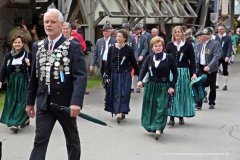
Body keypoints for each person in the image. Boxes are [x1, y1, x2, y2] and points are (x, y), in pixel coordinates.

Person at [25, 8, 87, 160]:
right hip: (44, 104)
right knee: (39, 141)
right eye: (46, 22)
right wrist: (29, 102)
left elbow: (80, 76)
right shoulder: (37, 46)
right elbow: (34, 76)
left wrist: (76, 102)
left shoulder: (72, 46)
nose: (49, 25)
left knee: (72, 140)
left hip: (65, 104)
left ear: (60, 24)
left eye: (53, 22)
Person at [137, 37, 178, 140]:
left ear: (163, 46)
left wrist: (172, 86)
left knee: (162, 107)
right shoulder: (149, 58)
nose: (158, 48)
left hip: (164, 85)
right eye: (156, 46)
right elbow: (143, 69)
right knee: (151, 106)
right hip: (151, 85)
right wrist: (139, 80)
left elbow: (175, 73)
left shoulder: (169, 58)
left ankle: (159, 128)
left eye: (159, 45)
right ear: (152, 47)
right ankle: (152, 126)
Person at [104, 30, 140, 123]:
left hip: (125, 74)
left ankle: (121, 111)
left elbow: (133, 63)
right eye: (117, 36)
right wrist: (107, 75)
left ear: (125, 38)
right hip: (114, 74)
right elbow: (108, 63)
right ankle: (119, 110)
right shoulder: (112, 48)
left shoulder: (129, 49)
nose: (118, 38)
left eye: (120, 36)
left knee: (124, 93)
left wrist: (140, 76)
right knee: (116, 93)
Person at [0, 34, 32, 133]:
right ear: (13, 44)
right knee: (12, 100)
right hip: (13, 81)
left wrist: (29, 64)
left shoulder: (28, 55)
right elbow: (3, 68)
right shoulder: (9, 55)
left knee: (22, 100)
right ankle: (23, 120)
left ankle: (16, 123)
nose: (17, 44)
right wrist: (0, 80)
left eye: (19, 42)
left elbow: (34, 70)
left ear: (23, 44)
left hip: (23, 80)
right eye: (15, 42)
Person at [166, 26, 197, 126]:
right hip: (172, 72)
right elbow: (166, 60)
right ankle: (171, 117)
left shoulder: (188, 45)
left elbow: (192, 60)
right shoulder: (170, 45)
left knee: (182, 94)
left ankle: (181, 116)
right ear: (173, 34)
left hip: (184, 72)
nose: (177, 34)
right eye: (175, 32)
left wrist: (194, 73)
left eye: (179, 32)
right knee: (172, 93)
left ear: (182, 33)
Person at [194, 28, 221, 109]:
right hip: (201, 68)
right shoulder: (198, 45)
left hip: (211, 68)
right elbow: (195, 56)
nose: (200, 37)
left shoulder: (214, 44)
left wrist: (209, 66)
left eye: (202, 36)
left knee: (212, 86)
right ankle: (199, 103)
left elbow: (216, 56)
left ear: (207, 37)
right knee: (200, 85)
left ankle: (211, 101)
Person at [131, 24, 148, 93]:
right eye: (135, 30)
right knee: (131, 72)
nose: (136, 31)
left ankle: (138, 86)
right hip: (132, 57)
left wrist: (142, 56)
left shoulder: (144, 38)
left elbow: (145, 48)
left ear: (140, 30)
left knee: (139, 72)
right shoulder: (131, 37)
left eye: (137, 30)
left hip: (140, 57)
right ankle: (131, 87)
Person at [215, 24, 232, 91]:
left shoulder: (228, 37)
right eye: (218, 29)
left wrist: (228, 56)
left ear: (224, 30)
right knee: (215, 70)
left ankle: (225, 84)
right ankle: (216, 83)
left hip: (224, 56)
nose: (219, 30)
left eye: (221, 29)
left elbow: (229, 48)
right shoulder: (217, 37)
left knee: (225, 71)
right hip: (217, 57)